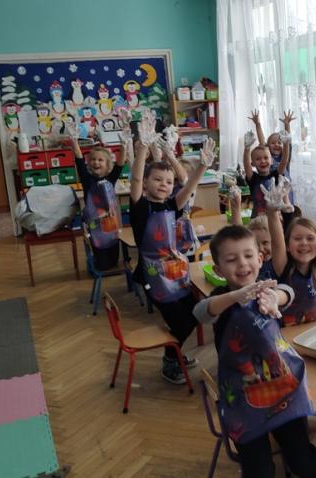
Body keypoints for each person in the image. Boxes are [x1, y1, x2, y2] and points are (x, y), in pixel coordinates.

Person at [193, 225, 316, 478]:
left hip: (283, 390)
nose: (242, 263)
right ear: (218, 270)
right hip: (244, 398)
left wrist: (275, 298)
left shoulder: (266, 290)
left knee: (302, 458)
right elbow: (201, 312)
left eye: (248, 255)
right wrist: (235, 296)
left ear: (260, 259)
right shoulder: (221, 300)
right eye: (231, 259)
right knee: (260, 470)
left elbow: (288, 291)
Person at [129, 108, 217, 384]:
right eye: (157, 180)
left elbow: (187, 188)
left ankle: (174, 352)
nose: (164, 185)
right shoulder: (140, 207)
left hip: (177, 272)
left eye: (168, 182)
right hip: (154, 276)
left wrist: (202, 167)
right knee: (181, 321)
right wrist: (142, 149)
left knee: (195, 314)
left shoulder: (171, 205)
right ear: (147, 183)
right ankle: (170, 360)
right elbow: (134, 180)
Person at [265, 176, 316, 327]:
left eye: (310, 238)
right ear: (287, 245)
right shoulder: (283, 267)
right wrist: (272, 212)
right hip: (289, 333)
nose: (304, 243)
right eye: (297, 238)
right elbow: (276, 240)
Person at [71, 124, 128, 270]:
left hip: (111, 224)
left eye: (100, 160)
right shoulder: (87, 179)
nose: (96, 162)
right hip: (95, 225)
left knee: (114, 258)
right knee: (102, 262)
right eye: (93, 159)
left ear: (107, 164)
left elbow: (120, 164)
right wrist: (74, 140)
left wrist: (123, 145)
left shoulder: (111, 178)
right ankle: (100, 265)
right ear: (89, 162)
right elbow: (79, 160)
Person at [244, 110, 292, 217]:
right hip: (258, 220)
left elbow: (284, 160)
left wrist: (286, 143)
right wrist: (247, 149)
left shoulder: (276, 175)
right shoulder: (253, 178)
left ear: (271, 161)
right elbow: (246, 165)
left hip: (275, 218)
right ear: (253, 163)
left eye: (266, 158)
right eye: (258, 159)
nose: (263, 161)